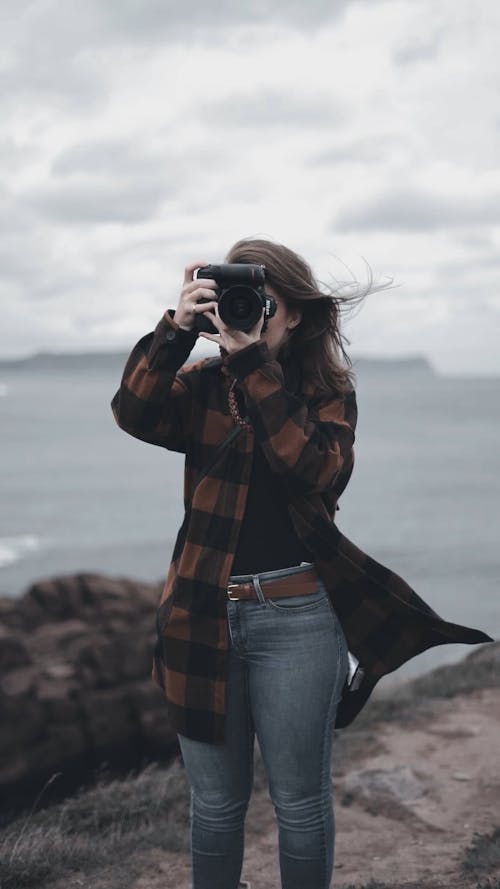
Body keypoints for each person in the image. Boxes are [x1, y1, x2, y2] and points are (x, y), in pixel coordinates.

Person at [110, 238, 491, 889]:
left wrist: (252, 362)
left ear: (296, 315)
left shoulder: (327, 394)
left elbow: (312, 469)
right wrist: (174, 331)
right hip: (202, 615)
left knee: (300, 804)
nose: (247, 313)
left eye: (263, 304)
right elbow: (135, 411)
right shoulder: (203, 386)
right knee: (217, 807)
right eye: (236, 303)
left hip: (298, 620)